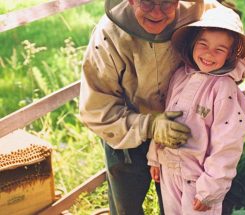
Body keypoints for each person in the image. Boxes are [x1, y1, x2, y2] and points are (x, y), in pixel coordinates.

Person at [79, 0, 223, 214]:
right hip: (124, 133)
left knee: (179, 205)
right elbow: (96, 109)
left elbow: (229, 43)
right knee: (126, 206)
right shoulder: (108, 36)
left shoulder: (203, 12)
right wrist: (151, 125)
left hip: (181, 131)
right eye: (147, 3)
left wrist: (227, 91)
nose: (157, 12)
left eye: (167, 3)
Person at [147, 6, 245, 215]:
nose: (209, 53)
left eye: (219, 49)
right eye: (203, 44)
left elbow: (228, 143)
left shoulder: (224, 89)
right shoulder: (181, 75)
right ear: (192, 44)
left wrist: (211, 188)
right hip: (169, 171)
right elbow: (166, 117)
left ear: (230, 55)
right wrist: (155, 157)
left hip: (199, 180)